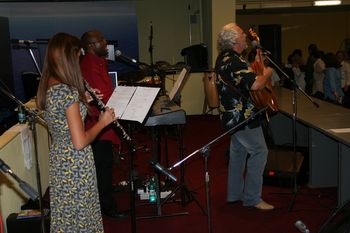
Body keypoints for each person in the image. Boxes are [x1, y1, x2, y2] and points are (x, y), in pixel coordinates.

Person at [36, 32, 117, 232]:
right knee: (83, 219)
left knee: (67, 218)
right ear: (68, 57)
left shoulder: (48, 86)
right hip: (77, 166)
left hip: (59, 163)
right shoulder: (68, 92)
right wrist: (102, 122)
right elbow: (80, 142)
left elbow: (61, 117)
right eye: (76, 55)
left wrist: (84, 99)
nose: (79, 60)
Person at [215, 23, 274, 210]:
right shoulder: (235, 61)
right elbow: (256, 85)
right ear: (235, 40)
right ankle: (252, 198)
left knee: (238, 154)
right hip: (244, 117)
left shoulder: (224, 58)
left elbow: (245, 79)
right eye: (242, 33)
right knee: (259, 151)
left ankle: (234, 194)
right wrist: (267, 73)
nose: (245, 36)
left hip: (231, 117)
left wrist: (258, 64)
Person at [80, 30, 125, 218]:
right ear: (91, 46)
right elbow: (102, 96)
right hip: (98, 125)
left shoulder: (98, 62)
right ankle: (107, 207)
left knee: (105, 165)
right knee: (103, 166)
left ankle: (106, 197)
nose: (105, 42)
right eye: (101, 40)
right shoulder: (90, 65)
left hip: (103, 122)